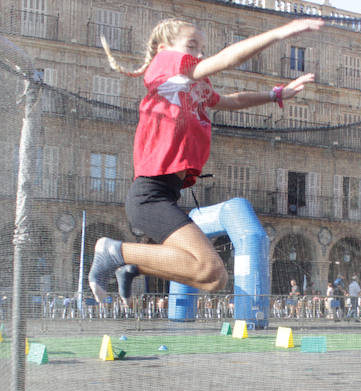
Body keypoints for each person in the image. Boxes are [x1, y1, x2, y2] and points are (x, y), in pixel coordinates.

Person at [87, 17, 323, 303]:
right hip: (149, 195)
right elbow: (227, 58)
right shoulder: (165, 67)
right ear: (164, 48)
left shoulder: (193, 87)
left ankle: (133, 265)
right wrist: (281, 32)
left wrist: (275, 95)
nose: (198, 55)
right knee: (210, 268)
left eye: (201, 49)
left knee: (213, 279)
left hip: (165, 194)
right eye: (192, 46)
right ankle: (113, 251)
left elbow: (232, 101)